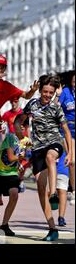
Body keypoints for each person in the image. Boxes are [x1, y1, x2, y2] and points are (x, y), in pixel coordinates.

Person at [14, 74, 73, 241]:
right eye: (45, 92)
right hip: (37, 148)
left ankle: (53, 193)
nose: (47, 95)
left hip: (55, 143)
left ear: (54, 92)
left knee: (50, 156)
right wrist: (21, 136)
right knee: (40, 189)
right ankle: (52, 228)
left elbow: (66, 131)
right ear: (40, 91)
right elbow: (18, 121)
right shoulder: (32, 104)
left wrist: (70, 153)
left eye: (51, 92)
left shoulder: (56, 108)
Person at [0, 55, 38, 154]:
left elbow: (26, 95)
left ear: (5, 69)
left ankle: (25, 157)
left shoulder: (7, 87)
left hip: (12, 136)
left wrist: (32, 90)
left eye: (2, 67)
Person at [58, 71, 75, 206]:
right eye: (74, 81)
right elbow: (57, 106)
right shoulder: (65, 92)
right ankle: (73, 190)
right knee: (72, 161)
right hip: (68, 129)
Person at [56, 152, 70, 227]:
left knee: (62, 191)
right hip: (48, 169)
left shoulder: (69, 140)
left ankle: (61, 217)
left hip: (63, 168)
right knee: (48, 193)